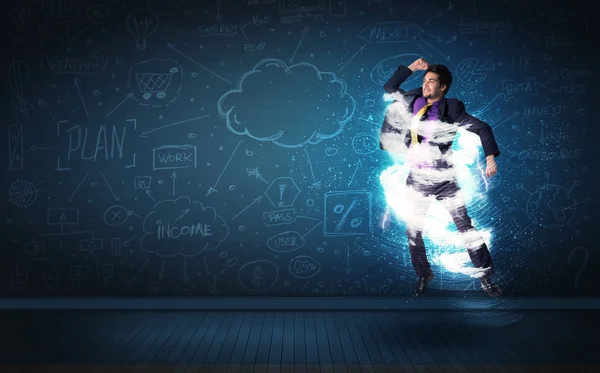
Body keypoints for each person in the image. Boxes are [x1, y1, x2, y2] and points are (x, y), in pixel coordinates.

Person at [379, 57, 503, 297]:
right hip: (417, 179)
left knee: (466, 228)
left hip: (445, 180)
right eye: (424, 81)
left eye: (431, 82)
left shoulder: (452, 108)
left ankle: (486, 277)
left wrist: (490, 158)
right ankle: (424, 275)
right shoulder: (412, 99)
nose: (425, 85)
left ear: (443, 87)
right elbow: (389, 88)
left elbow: (482, 128)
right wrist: (413, 68)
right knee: (413, 230)